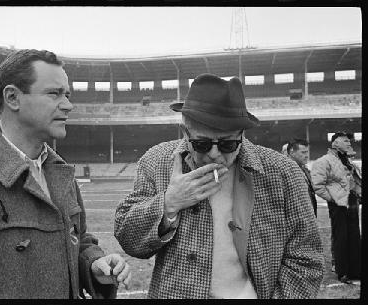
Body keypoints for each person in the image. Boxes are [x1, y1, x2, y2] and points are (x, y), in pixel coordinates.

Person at [0, 49, 131, 299]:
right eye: (54, 93)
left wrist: (92, 264)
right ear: (13, 97)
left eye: (67, 94)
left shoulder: (61, 172)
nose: (68, 105)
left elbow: (77, 241)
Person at [114, 73, 324, 299]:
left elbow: (306, 258)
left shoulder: (284, 173)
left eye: (227, 144)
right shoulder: (157, 160)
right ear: (185, 131)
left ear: (242, 135)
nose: (214, 155)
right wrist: (168, 203)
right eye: (202, 144)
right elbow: (129, 239)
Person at [311, 132, 361, 284]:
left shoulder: (349, 162)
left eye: (349, 141)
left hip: (351, 202)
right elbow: (318, 186)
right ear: (335, 143)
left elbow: (354, 183)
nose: (349, 143)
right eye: (345, 141)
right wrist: (334, 199)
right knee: (341, 237)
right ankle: (343, 272)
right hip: (338, 205)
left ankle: (356, 271)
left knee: (354, 236)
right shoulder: (324, 161)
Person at [287, 139, 318, 217]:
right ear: (292, 152)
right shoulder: (285, 171)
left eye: (307, 152)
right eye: (303, 152)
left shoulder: (304, 169)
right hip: (297, 217)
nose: (307, 155)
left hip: (309, 214)